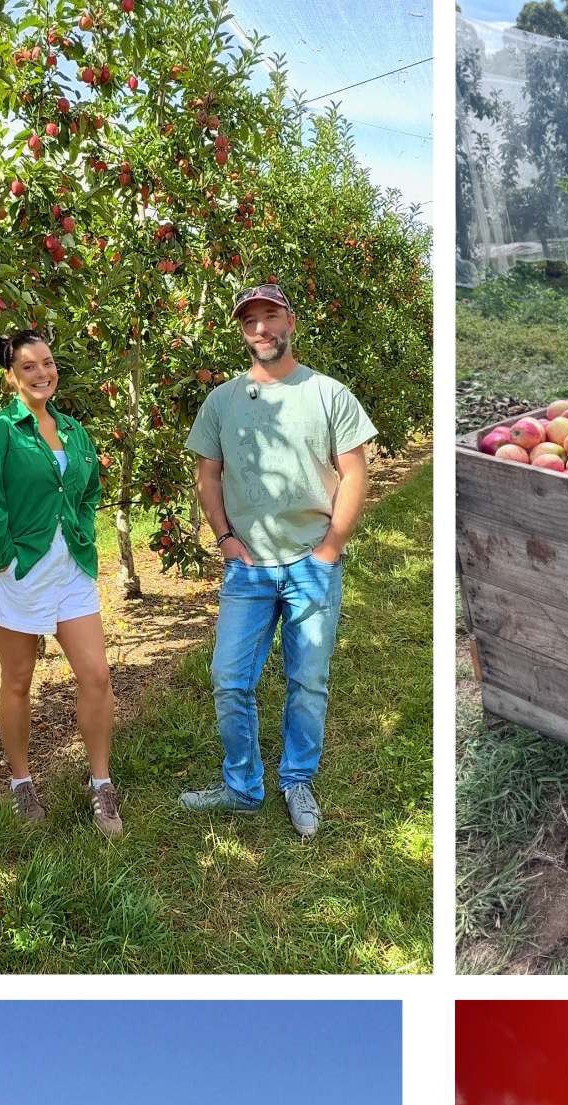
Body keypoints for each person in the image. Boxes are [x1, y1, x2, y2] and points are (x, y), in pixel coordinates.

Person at [179, 284, 376, 839]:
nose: (261, 329)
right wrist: (224, 538)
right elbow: (208, 473)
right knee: (228, 679)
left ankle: (297, 780)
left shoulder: (328, 394)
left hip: (312, 559)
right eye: (250, 321)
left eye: (270, 317)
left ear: (290, 321)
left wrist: (331, 547)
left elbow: (355, 472)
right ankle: (242, 785)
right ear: (241, 331)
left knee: (308, 680)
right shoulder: (221, 400)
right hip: (249, 565)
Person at [0, 329, 121, 837]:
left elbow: (88, 489)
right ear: (11, 375)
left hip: (71, 570)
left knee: (96, 675)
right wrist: (6, 558)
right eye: (29, 366)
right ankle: (21, 784)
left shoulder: (74, 430)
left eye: (48, 363)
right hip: (22, 573)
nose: (42, 373)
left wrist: (81, 529)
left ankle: (100, 783)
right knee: (17, 682)